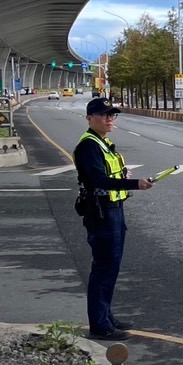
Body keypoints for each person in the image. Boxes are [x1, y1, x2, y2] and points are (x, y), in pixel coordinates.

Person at [74, 98, 154, 340]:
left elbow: (108, 174)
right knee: (104, 268)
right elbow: (98, 180)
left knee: (111, 267)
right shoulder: (89, 146)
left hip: (113, 210)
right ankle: (100, 325)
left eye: (112, 115)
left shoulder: (103, 143)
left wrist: (124, 175)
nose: (109, 119)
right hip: (101, 213)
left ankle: (106, 316)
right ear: (90, 118)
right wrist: (135, 184)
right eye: (104, 115)